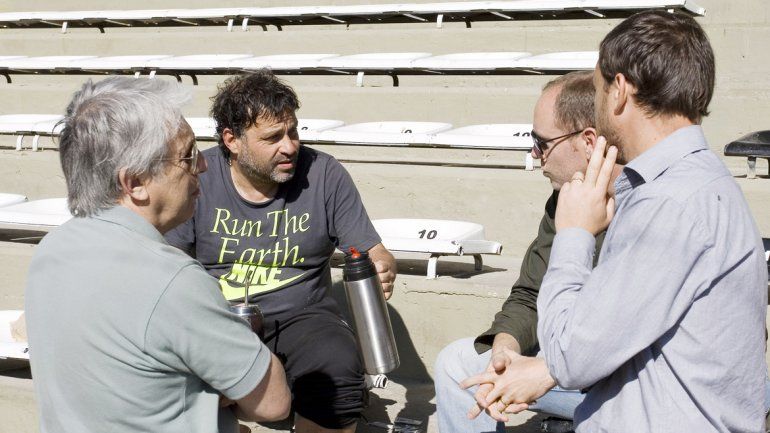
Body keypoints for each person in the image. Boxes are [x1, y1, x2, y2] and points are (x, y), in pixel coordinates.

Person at [531, 11, 765, 432]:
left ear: (619, 90)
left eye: (600, 86)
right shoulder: (688, 185)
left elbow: (568, 355)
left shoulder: (670, 202)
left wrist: (573, 234)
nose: (599, 100)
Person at [25, 77, 291, 433]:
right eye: (187, 155)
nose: (203, 166)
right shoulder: (171, 279)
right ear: (134, 183)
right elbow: (273, 402)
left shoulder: (51, 250)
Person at [165, 70, 397, 433]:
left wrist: (381, 267)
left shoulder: (323, 174)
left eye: (293, 132)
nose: (289, 146)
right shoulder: (199, 177)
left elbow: (373, 251)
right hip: (217, 316)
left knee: (338, 366)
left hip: (304, 317)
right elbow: (168, 268)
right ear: (232, 140)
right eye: (273, 137)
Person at [434, 71, 610, 433]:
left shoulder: (646, 205)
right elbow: (530, 294)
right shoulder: (563, 198)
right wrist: (504, 350)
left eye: (541, 141)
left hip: (625, 379)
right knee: (458, 363)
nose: (534, 153)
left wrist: (544, 371)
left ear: (588, 142)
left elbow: (625, 330)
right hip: (566, 360)